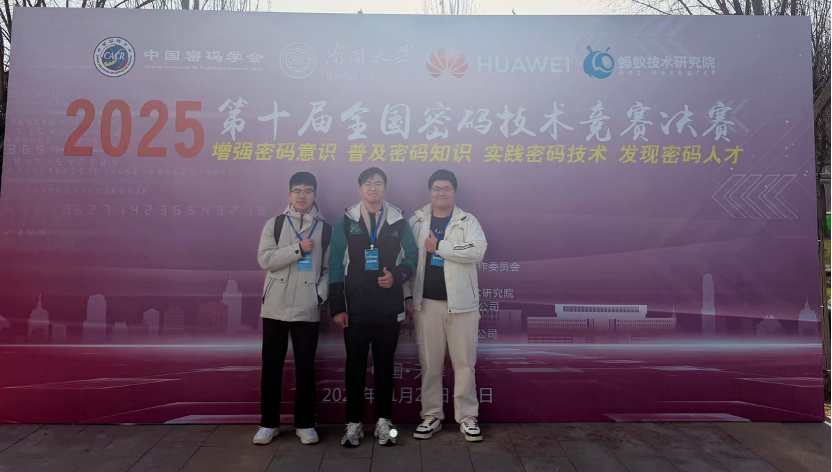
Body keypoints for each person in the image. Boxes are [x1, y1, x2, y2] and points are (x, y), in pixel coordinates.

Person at [329, 167, 419, 447]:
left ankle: (383, 421)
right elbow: (335, 263)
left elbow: (412, 256)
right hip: (355, 308)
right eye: (368, 184)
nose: (373, 188)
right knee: (354, 366)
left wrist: (397, 277)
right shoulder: (347, 221)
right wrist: (338, 307)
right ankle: (354, 423)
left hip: (387, 308)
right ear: (360, 189)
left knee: (384, 365)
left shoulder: (398, 221)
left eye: (378, 183)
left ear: (385, 188)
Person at [404, 169, 487, 442]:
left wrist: (439, 246)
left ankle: (467, 416)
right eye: (437, 188)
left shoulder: (467, 221)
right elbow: (407, 260)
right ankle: (432, 415)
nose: (441, 193)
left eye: (447, 188)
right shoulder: (416, 221)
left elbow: (477, 251)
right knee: (429, 363)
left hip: (462, 306)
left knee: (464, 363)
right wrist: (408, 295)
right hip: (427, 304)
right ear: (430, 192)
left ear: (455, 192)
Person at [253, 172, 331, 446]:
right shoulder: (275, 224)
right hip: (275, 306)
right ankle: (268, 424)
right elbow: (265, 260)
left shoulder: (326, 229)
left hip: (306, 307)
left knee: (306, 369)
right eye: (297, 191)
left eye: (307, 191)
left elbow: (328, 270)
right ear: (289, 195)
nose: (302, 196)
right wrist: (298, 248)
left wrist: (318, 295)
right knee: (271, 368)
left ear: (315, 195)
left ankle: (305, 424)